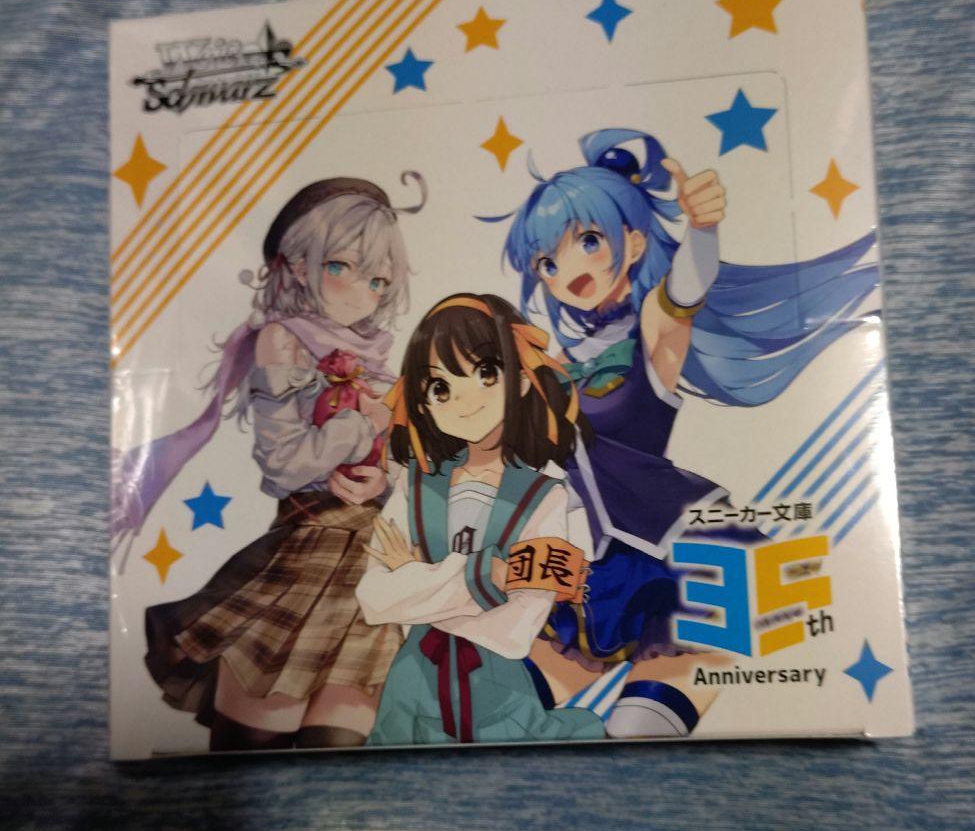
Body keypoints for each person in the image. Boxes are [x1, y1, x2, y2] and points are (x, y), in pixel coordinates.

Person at [493, 128, 878, 736]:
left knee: (638, 728)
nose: (570, 271)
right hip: (595, 562)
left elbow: (683, 295)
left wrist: (702, 231)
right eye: (548, 262)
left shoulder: (649, 329)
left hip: (680, 549)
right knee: (500, 713)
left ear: (634, 241)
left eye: (589, 241)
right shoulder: (557, 362)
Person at [117, 174, 424, 750]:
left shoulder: (375, 357)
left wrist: (382, 480)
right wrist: (362, 426)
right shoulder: (283, 340)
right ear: (298, 264)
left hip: (374, 563)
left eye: (378, 280)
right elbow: (284, 464)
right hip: (307, 549)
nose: (362, 294)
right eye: (342, 266)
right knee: (255, 742)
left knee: (339, 745)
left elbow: (405, 465)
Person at [356, 293, 605, 746]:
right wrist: (484, 575)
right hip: (410, 692)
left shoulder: (547, 495)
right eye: (440, 387)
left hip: (500, 697)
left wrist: (416, 579)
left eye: (486, 373)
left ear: (522, 379)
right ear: (422, 402)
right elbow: (374, 598)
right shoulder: (415, 483)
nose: (464, 400)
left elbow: (517, 628)